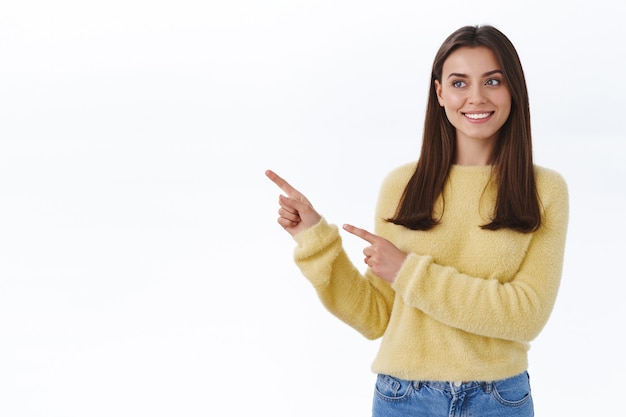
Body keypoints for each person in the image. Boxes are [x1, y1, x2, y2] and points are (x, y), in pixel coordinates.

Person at [266, 24, 568, 417]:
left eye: (492, 81)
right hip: (404, 399)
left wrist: (409, 271)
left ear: (512, 89)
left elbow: (525, 315)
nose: (476, 97)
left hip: (499, 400)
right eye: (459, 83)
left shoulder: (544, 189)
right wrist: (313, 239)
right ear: (440, 93)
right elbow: (377, 316)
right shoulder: (402, 186)